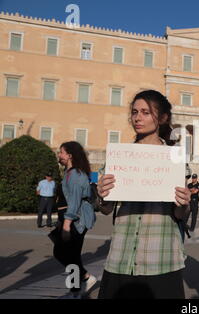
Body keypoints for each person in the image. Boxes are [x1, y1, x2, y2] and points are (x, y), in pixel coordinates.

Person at [96, 90, 191, 299]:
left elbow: (180, 214)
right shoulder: (119, 157)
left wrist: (184, 203)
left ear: (163, 118)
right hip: (120, 258)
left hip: (162, 259)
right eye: (135, 112)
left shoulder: (175, 159)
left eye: (146, 112)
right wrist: (102, 193)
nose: (137, 118)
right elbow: (106, 209)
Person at [54, 141, 97, 298]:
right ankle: (82, 282)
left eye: (62, 152)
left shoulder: (76, 175)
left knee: (66, 253)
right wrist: (61, 220)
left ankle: (78, 287)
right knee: (69, 254)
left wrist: (66, 224)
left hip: (77, 220)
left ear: (70, 155)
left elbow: (74, 202)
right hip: (72, 219)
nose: (59, 155)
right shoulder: (69, 173)